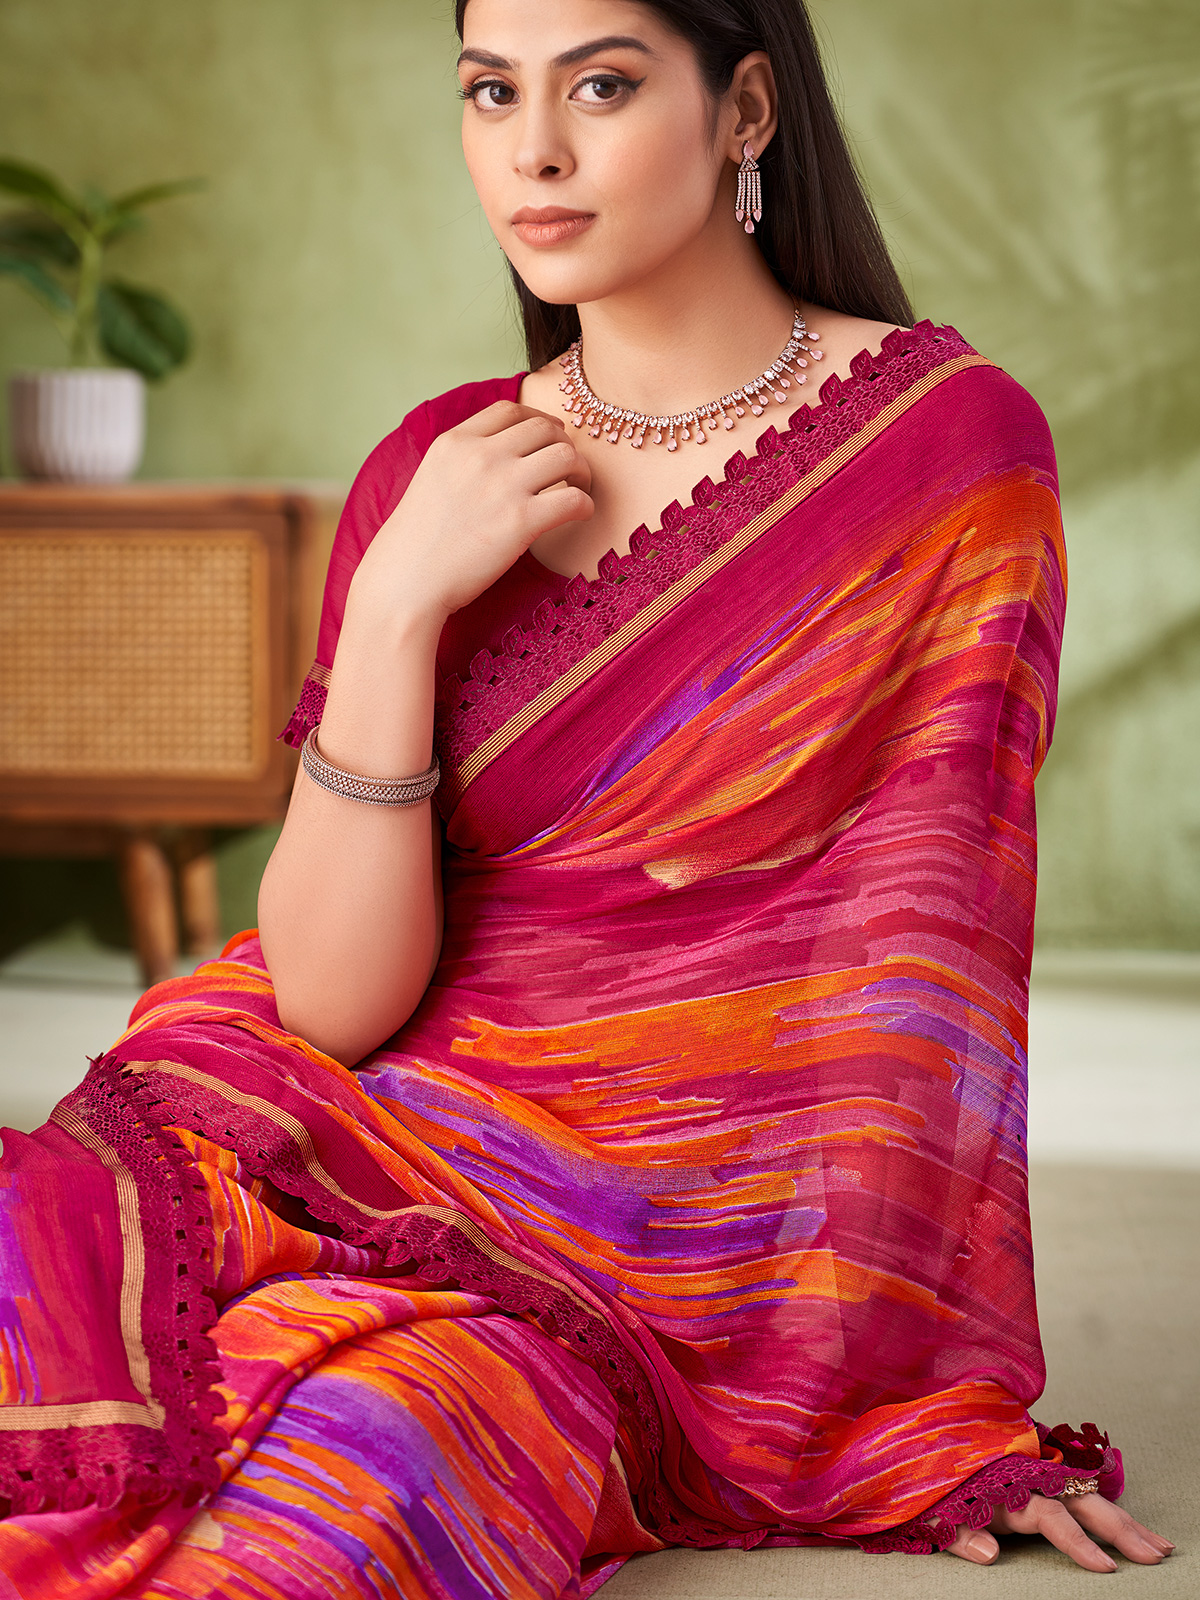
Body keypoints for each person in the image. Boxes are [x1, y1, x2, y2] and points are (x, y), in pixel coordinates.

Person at [0, 0, 1174, 1593]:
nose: (532, 151)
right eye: (491, 92)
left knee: (337, 1492)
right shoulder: (438, 468)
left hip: (623, 1253)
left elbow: (915, 963)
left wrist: (908, 1399)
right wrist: (399, 605)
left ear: (746, 110)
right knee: (50, 1306)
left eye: (601, 86)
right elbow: (331, 1002)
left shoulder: (945, 454)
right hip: (307, 1120)